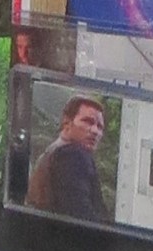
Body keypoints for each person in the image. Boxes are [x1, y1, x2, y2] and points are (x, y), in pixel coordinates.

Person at [27, 90, 109, 223]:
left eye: (100, 127)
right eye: (88, 121)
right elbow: (82, 217)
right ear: (67, 123)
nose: (95, 131)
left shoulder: (52, 152)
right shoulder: (73, 155)